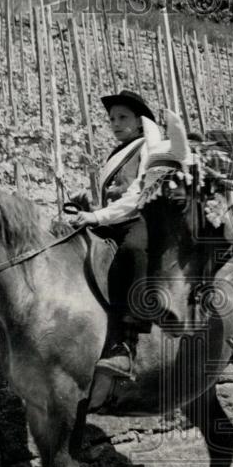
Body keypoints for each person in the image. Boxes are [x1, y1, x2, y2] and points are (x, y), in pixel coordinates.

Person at [69, 90, 160, 379]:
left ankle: (126, 344)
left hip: (142, 218)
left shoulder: (149, 147)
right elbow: (113, 201)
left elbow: (138, 194)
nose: (116, 123)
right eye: (112, 119)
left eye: (123, 117)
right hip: (118, 219)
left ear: (139, 121)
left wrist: (97, 215)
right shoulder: (117, 152)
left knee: (133, 251)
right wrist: (89, 208)